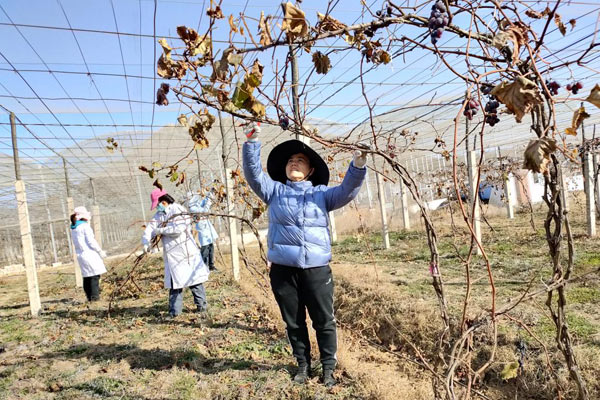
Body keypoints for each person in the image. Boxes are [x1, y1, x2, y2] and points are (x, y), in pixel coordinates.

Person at [242, 122, 367, 387]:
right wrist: (252, 143)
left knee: (324, 321)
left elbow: (347, 190)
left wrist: (357, 165)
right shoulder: (274, 191)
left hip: (316, 269)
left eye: (300, 160)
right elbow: (254, 175)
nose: (294, 163)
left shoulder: (321, 195)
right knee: (294, 323)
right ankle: (302, 365)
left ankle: (329, 369)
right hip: (283, 271)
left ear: (310, 170)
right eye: (290, 160)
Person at [142, 191, 210, 319]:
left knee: (194, 280)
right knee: (175, 284)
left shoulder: (178, 210)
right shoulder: (160, 214)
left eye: (158, 205)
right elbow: (150, 228)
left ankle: (202, 306)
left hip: (185, 253)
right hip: (173, 256)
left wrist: (160, 230)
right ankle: (174, 312)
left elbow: (177, 229)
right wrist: (146, 242)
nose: (157, 208)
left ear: (163, 202)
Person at [70, 206, 107, 302]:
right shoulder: (85, 226)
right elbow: (91, 241)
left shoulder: (74, 227)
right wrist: (100, 251)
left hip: (81, 255)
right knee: (94, 276)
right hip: (89, 253)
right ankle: (95, 298)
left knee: (87, 276)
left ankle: (89, 297)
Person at [187, 191, 219, 272]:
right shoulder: (192, 208)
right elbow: (204, 210)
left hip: (207, 229)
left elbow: (203, 202)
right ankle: (204, 266)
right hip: (203, 229)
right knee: (205, 248)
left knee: (211, 246)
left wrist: (209, 196)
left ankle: (211, 266)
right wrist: (208, 203)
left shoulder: (196, 205)